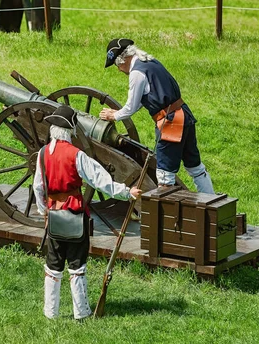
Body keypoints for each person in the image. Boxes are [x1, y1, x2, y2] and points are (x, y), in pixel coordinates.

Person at [33, 105, 142, 320]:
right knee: (77, 265)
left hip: (54, 215)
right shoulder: (77, 155)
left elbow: (38, 187)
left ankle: (50, 312)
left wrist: (44, 212)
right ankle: (81, 312)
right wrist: (127, 192)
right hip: (74, 214)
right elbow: (101, 181)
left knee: (53, 265)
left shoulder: (42, 154)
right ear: (71, 131)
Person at [99, 38, 214, 193]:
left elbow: (132, 106)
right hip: (184, 115)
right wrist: (118, 113)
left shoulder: (136, 73)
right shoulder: (151, 62)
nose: (119, 69)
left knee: (165, 176)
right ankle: (211, 201)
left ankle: (167, 214)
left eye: (117, 65)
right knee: (195, 167)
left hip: (171, 122)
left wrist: (114, 116)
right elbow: (144, 98)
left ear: (123, 59)